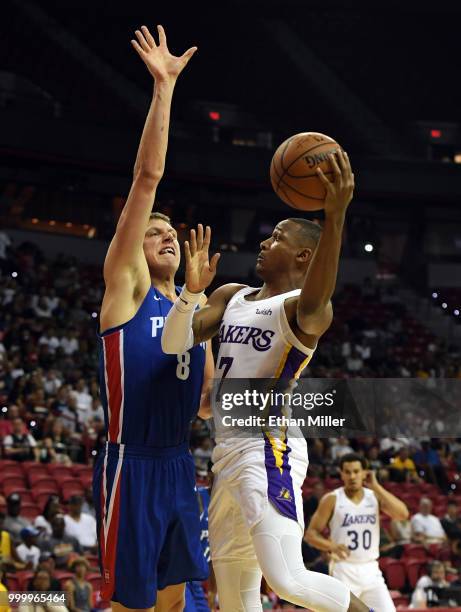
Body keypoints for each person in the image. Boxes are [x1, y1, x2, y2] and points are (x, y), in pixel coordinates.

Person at [162, 152, 373, 611]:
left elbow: (322, 289)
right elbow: (173, 344)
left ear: (303, 255)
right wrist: (191, 292)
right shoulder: (230, 296)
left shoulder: (303, 308)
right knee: (236, 596)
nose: (264, 241)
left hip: (267, 446)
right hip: (226, 453)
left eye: (277, 237)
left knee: (288, 580)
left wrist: (334, 218)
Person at [93, 24, 210, 612]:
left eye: (172, 233)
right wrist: (164, 89)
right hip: (131, 462)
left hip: (178, 463)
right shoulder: (127, 288)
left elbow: (204, 400)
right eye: (154, 233)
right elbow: (147, 179)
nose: (166, 237)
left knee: (175, 600)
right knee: (126, 604)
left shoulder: (191, 307)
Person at [306, 453, 408, 611]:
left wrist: (376, 486)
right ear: (341, 474)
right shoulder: (332, 499)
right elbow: (311, 534)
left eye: (356, 471)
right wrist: (330, 546)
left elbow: (402, 514)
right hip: (343, 569)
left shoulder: (374, 496)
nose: (352, 476)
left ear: (364, 472)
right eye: (347, 472)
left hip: (371, 569)